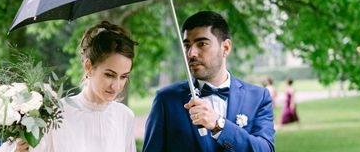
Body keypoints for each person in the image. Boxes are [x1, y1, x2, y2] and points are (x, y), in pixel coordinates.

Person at [142, 11, 275, 152]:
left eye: (202, 44)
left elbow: (265, 149)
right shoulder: (166, 100)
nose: (191, 53)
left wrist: (219, 125)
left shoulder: (258, 97)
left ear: (225, 48)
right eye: (187, 45)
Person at [17, 21, 138, 152]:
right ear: (88, 67)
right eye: (109, 75)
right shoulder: (56, 115)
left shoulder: (125, 116)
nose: (116, 86)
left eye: (124, 76)